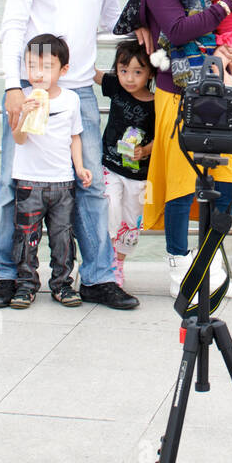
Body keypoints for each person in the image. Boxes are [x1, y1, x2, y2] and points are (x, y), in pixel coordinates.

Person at [0, 0, 138, 310]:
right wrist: (11, 86)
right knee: (11, 183)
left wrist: (145, 32)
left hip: (78, 92)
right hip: (30, 89)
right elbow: (13, 25)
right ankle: (7, 274)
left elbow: (111, 24)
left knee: (90, 185)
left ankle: (96, 278)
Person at [116, 0, 232, 300]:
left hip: (217, 92)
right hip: (177, 95)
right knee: (182, 183)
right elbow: (177, 30)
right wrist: (227, 3)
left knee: (226, 177)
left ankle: (208, 263)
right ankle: (180, 267)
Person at [9, 34, 92, 308]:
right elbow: (19, 139)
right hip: (29, 181)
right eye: (32, 66)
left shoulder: (70, 100)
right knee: (26, 236)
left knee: (63, 237)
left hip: (62, 182)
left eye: (47, 66)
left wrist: (79, 167)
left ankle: (62, 285)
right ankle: (26, 285)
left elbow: (75, 137)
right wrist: (24, 114)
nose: (39, 73)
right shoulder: (24, 98)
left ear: (63, 70)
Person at [92, 37, 156, 289]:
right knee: (110, 209)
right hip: (110, 166)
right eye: (123, 70)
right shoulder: (115, 87)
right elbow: (93, 73)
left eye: (137, 72)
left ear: (149, 72)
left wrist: (146, 151)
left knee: (130, 221)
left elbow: (162, 138)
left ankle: (119, 263)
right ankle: (106, 263)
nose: (129, 78)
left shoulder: (157, 101)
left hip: (140, 175)